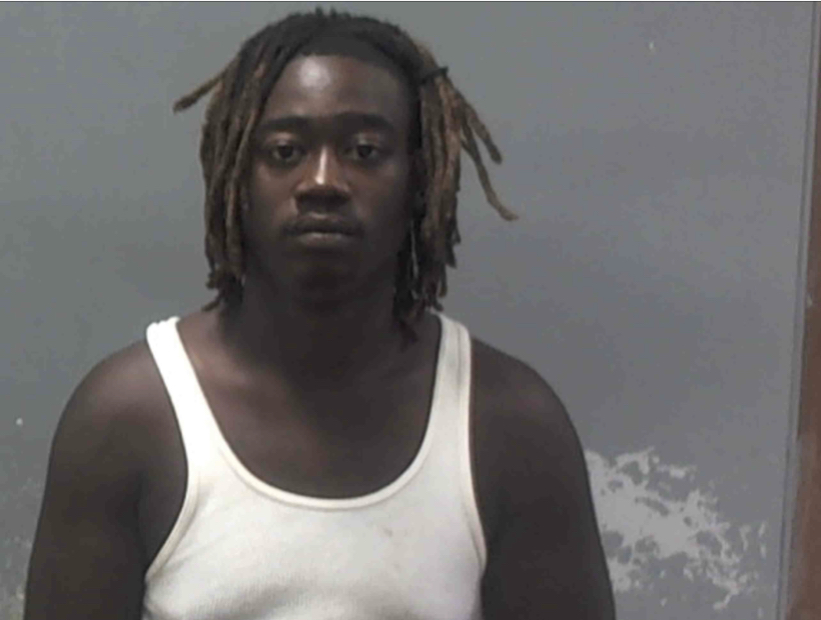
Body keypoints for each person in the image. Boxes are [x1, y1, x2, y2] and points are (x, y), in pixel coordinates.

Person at [24, 9, 615, 620]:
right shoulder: (127, 418)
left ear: (419, 179)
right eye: (285, 151)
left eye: (364, 151)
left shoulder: (508, 423)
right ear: (235, 176)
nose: (323, 181)